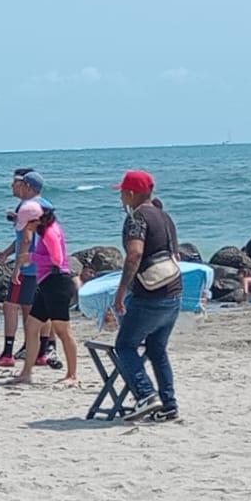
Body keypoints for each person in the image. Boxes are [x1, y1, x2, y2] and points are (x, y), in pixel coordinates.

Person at [111, 170, 182, 423]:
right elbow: (176, 254)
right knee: (157, 349)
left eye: (122, 193)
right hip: (173, 291)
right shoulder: (164, 216)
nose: (120, 198)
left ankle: (146, 395)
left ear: (130, 194)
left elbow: (134, 255)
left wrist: (120, 293)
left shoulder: (137, 218)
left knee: (125, 346)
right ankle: (169, 404)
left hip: (149, 294)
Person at [14, 207, 79, 386]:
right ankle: (26, 373)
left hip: (57, 283)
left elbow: (57, 260)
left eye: (27, 224)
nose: (27, 229)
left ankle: (72, 375)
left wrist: (31, 257)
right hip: (46, 284)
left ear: (35, 220)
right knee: (32, 326)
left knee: (62, 331)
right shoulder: (45, 230)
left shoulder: (50, 232)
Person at [0, 169, 50, 367]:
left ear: (27, 186)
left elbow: (26, 239)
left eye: (16, 183)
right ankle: (40, 352)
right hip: (44, 264)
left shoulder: (28, 206)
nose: (12, 186)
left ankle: (8, 353)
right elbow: (26, 237)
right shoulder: (46, 206)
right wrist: (7, 253)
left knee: (10, 306)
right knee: (35, 309)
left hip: (29, 267)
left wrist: (17, 266)